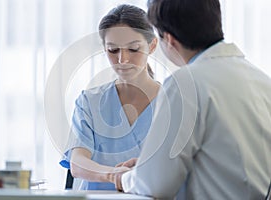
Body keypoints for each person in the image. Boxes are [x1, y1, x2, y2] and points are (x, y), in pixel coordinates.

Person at [115, 0, 271, 199]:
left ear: (169, 40)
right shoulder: (261, 80)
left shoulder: (185, 84)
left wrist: (124, 178)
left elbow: (155, 185)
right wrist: (150, 165)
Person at [59, 4, 160, 190]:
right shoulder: (90, 102)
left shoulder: (173, 102)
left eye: (134, 49)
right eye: (113, 50)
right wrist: (115, 176)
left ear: (152, 45)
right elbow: (78, 162)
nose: (123, 60)